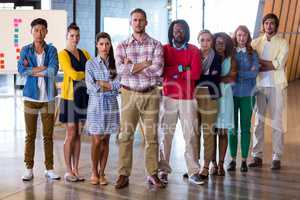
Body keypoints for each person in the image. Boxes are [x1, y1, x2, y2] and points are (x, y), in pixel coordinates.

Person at [114, 8, 164, 189]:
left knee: (152, 136)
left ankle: (152, 173)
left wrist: (132, 66)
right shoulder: (121, 46)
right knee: (125, 135)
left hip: (151, 93)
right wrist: (145, 64)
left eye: (141, 20)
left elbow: (158, 70)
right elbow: (120, 70)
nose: (138, 23)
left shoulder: (156, 45)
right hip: (129, 93)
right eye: (135, 20)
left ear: (146, 22)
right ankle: (123, 174)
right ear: (130, 23)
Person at [158, 19, 203, 185]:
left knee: (190, 135)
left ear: (186, 32)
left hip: (188, 99)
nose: (179, 32)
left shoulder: (194, 50)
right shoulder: (164, 49)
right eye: (176, 30)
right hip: (168, 98)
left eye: (182, 30)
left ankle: (193, 171)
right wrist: (183, 68)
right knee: (166, 136)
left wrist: (174, 72)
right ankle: (163, 170)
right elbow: (162, 71)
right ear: (172, 32)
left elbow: (196, 74)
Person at [17, 18, 60, 181]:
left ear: (46, 32)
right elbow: (21, 70)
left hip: (48, 98)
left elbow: (53, 70)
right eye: (36, 30)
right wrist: (41, 68)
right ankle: (28, 168)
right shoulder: (26, 50)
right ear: (31, 32)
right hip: (30, 97)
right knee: (30, 134)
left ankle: (49, 168)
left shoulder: (52, 50)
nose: (39, 33)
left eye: (42, 30)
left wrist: (33, 70)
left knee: (48, 135)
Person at [249, 13, 289, 170]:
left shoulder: (283, 43)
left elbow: (279, 64)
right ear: (263, 25)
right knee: (258, 122)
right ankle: (257, 155)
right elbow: (255, 63)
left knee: (277, 121)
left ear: (276, 26)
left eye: (272, 23)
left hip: (277, 86)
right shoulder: (255, 43)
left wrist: (260, 63)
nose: (269, 26)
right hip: (259, 86)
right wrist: (270, 64)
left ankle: (276, 156)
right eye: (266, 23)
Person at [85, 32, 120, 185]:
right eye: (101, 44)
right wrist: (108, 86)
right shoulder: (90, 64)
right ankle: (93, 171)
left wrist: (102, 83)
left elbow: (118, 86)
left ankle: (102, 173)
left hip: (111, 105)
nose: (104, 47)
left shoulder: (116, 64)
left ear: (110, 45)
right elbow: (91, 87)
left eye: (107, 44)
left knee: (106, 141)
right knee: (97, 141)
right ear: (96, 45)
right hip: (95, 106)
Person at [58, 22, 91, 182]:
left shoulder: (84, 52)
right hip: (70, 98)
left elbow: (94, 69)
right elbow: (72, 74)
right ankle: (68, 170)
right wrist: (86, 74)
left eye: (77, 35)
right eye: (72, 35)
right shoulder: (62, 54)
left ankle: (76, 169)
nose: (75, 38)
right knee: (70, 134)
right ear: (67, 36)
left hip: (83, 97)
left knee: (78, 134)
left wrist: (85, 74)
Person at [227, 25, 259, 172]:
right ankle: (233, 159)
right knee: (232, 128)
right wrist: (245, 71)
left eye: (244, 35)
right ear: (235, 36)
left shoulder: (254, 53)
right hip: (231, 95)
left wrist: (237, 72)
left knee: (246, 128)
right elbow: (228, 72)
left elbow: (254, 74)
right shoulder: (230, 53)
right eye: (239, 35)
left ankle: (244, 160)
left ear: (248, 37)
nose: (242, 38)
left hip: (248, 95)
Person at [195, 30, 222, 180]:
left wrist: (199, 75)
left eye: (208, 40)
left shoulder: (217, 57)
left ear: (211, 42)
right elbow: (192, 74)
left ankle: (206, 165)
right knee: (195, 132)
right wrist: (204, 75)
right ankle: (195, 165)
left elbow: (215, 77)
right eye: (202, 40)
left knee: (208, 132)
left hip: (211, 96)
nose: (205, 43)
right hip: (194, 96)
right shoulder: (194, 55)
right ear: (198, 41)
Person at [213, 32, 237, 176]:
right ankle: (213, 164)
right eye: (217, 43)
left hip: (226, 99)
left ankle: (221, 164)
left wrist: (215, 78)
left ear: (227, 44)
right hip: (211, 98)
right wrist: (221, 78)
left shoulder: (231, 59)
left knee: (223, 132)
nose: (219, 45)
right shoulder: (209, 58)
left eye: (222, 43)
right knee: (211, 133)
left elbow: (232, 78)